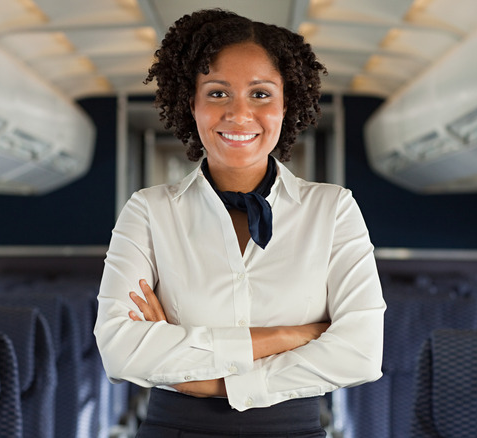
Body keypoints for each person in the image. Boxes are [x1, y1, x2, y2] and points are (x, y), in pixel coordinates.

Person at [94, 8, 386, 437]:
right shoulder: (149, 211)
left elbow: (359, 354)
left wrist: (204, 377)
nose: (239, 113)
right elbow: (121, 351)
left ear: (287, 103)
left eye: (261, 94)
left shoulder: (334, 209)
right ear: (190, 102)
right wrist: (291, 335)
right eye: (217, 93)